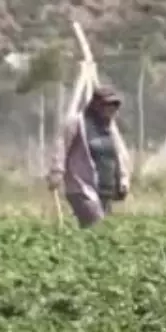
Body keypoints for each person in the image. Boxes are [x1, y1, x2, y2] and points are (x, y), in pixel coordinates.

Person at [46, 86, 130, 227]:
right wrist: (57, 171)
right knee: (97, 226)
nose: (111, 109)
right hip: (81, 187)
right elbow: (61, 146)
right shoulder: (77, 123)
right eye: (107, 105)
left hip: (105, 189)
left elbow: (120, 155)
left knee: (100, 231)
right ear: (96, 105)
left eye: (114, 105)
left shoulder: (110, 129)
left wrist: (123, 180)